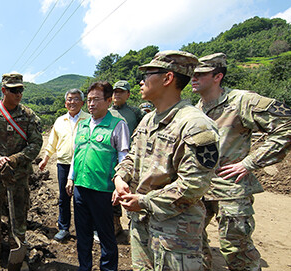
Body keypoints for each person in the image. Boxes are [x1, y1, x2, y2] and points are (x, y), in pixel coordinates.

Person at [112, 50, 220, 270]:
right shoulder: (148, 120)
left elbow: (192, 186)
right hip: (141, 223)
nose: (141, 82)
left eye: (148, 74)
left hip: (174, 232)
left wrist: (143, 202)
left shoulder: (195, 125)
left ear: (168, 78)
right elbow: (133, 156)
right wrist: (120, 176)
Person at [192, 52, 291, 271]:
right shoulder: (195, 110)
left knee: (236, 248)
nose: (194, 78)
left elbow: (287, 125)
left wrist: (250, 162)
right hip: (200, 189)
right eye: (193, 74)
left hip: (232, 188)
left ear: (217, 76)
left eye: (201, 74)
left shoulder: (242, 101)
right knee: (195, 244)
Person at [0, 73, 42, 267]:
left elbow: (36, 143)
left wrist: (14, 159)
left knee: (19, 213)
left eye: (20, 90)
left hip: (19, 175)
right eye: (14, 90)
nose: (18, 94)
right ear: (4, 90)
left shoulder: (29, 116)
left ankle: (17, 245)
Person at [66, 81, 130, 271]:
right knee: (83, 234)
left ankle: (108, 269)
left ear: (109, 101)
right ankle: (84, 267)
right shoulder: (83, 125)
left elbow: (123, 156)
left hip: (102, 189)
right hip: (80, 188)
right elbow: (76, 154)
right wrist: (71, 177)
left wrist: (120, 185)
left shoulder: (118, 125)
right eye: (90, 100)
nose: (91, 104)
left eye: (96, 100)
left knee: (105, 235)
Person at [38, 88, 90, 241]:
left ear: (82, 102)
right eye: (69, 99)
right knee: (64, 198)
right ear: (65, 103)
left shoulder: (89, 119)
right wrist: (46, 159)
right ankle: (64, 227)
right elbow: (52, 143)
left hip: (83, 164)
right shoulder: (60, 121)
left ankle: (85, 229)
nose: (72, 102)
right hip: (63, 164)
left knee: (83, 198)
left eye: (75, 99)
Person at [108, 79, 144, 237]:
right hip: (112, 158)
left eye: (121, 91)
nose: (117, 94)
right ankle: (115, 224)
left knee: (132, 189)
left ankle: (134, 224)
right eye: (115, 91)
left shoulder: (136, 113)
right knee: (113, 190)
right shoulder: (107, 112)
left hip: (132, 158)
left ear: (128, 94)